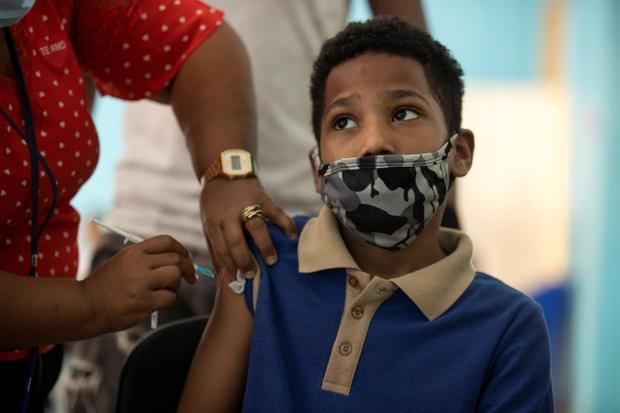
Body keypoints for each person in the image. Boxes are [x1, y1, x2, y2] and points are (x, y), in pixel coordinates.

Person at [61, 1, 431, 411]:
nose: (375, 141)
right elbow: (71, 34)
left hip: (285, 241)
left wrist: (433, 203)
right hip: (146, 232)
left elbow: (413, 54)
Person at [178, 17, 554, 412]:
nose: (373, 142)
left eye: (404, 113)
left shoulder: (510, 327)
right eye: (344, 122)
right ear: (317, 171)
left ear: (459, 153)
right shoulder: (265, 262)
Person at [0, 0, 295, 411]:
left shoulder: (52, 8)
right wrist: (91, 302)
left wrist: (228, 175)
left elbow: (197, 44)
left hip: (33, 364)